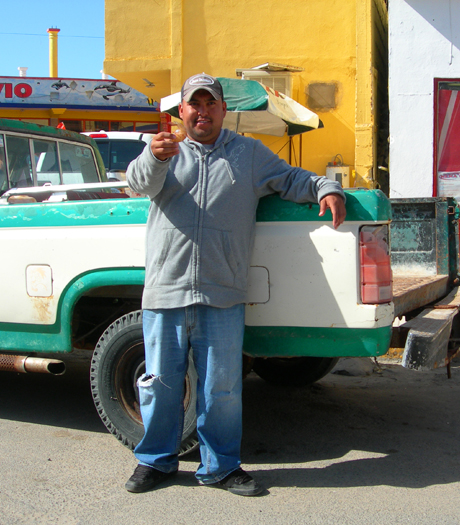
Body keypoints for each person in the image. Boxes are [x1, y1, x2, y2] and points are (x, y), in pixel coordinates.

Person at [125, 73, 346, 496]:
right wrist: (154, 157)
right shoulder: (162, 151)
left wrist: (327, 187)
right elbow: (137, 183)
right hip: (166, 292)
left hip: (222, 294)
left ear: (224, 111)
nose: (202, 111)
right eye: (195, 104)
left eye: (211, 104)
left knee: (221, 389)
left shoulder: (248, 154)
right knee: (159, 385)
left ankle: (221, 468)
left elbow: (292, 179)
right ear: (182, 112)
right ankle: (155, 461)